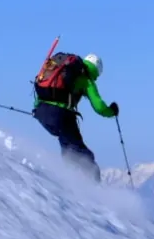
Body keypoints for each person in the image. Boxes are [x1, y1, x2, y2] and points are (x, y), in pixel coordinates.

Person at [32, 51, 118, 182]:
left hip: (41, 112)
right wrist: (112, 111)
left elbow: (42, 92)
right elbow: (99, 107)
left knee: (68, 149)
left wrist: (37, 109)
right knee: (84, 155)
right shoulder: (85, 79)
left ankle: (70, 182)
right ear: (96, 71)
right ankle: (94, 189)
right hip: (61, 116)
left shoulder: (62, 70)